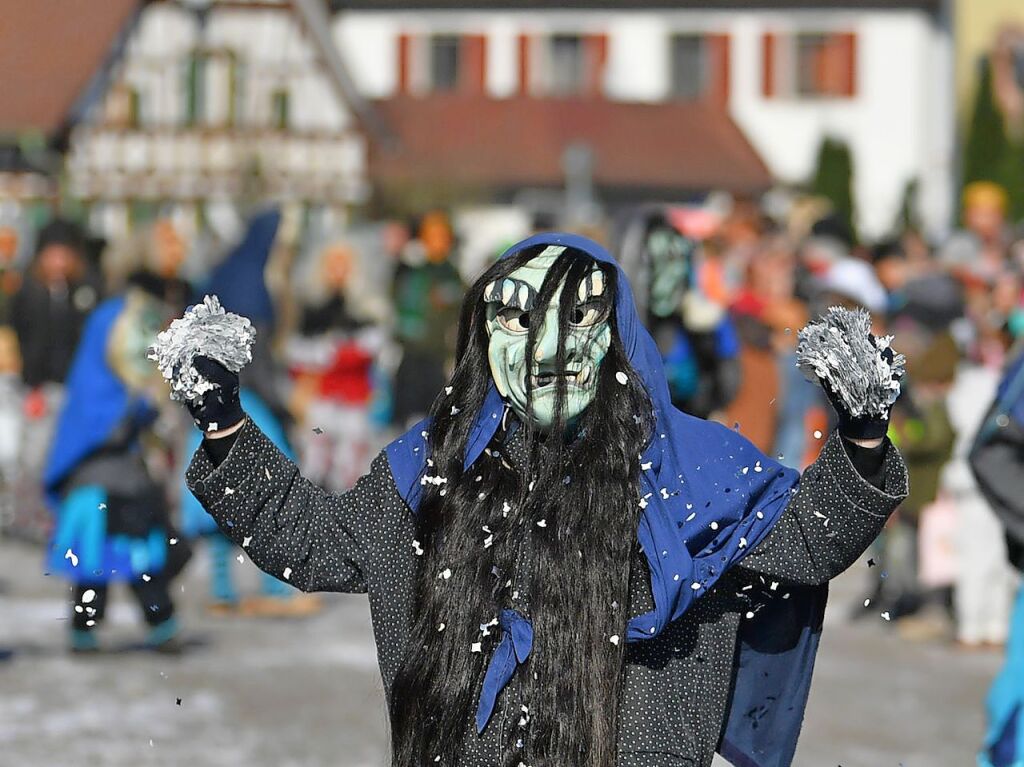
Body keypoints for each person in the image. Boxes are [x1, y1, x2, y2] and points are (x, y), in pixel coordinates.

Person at [171, 234, 907, 766]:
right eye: (520, 320)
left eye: (578, 318)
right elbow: (314, 540)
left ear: (615, 335)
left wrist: (864, 439)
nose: (550, 348)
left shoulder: (695, 471)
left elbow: (810, 540)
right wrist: (226, 424)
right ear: (484, 338)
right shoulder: (433, 471)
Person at [44, 274, 188, 653]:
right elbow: (98, 422)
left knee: (137, 557)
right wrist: (139, 408)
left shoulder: (128, 369)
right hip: (99, 480)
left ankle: (159, 622)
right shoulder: (101, 371)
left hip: (125, 479)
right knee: (97, 560)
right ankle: (86, 628)